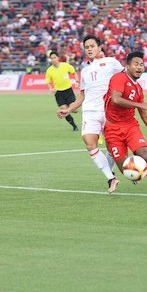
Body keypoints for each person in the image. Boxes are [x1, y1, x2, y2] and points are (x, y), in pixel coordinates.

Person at [58, 35, 124, 193]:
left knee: (112, 146)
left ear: (99, 47)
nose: (89, 49)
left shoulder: (111, 62)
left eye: (92, 46)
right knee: (89, 143)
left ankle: (117, 171)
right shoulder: (85, 71)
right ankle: (111, 178)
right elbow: (82, 96)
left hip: (109, 110)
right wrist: (68, 109)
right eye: (86, 47)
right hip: (90, 112)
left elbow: (124, 79)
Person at [103, 51, 147, 202]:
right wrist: (140, 104)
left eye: (141, 65)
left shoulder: (138, 89)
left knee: (144, 154)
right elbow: (115, 99)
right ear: (127, 66)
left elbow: (144, 114)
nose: (139, 67)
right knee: (125, 168)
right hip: (112, 129)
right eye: (136, 64)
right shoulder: (119, 78)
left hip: (130, 126)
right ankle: (133, 174)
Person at [45, 51, 79, 131]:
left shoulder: (65, 66)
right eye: (51, 58)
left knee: (75, 110)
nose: (53, 59)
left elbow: (74, 72)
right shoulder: (49, 70)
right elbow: (48, 82)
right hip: (59, 93)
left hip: (68, 91)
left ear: (58, 58)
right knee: (64, 110)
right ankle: (74, 126)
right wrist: (50, 88)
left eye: (54, 57)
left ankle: (70, 110)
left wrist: (77, 80)